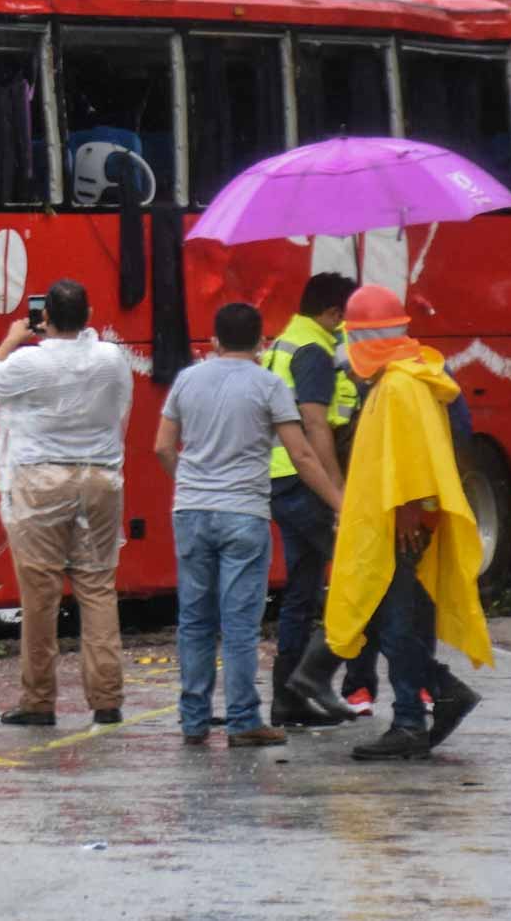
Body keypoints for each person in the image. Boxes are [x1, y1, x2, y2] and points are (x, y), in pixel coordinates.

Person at [290, 284, 494, 760]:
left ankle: (410, 721)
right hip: (394, 519)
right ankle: (440, 692)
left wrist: (409, 509)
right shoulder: (404, 377)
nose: (350, 348)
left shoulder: (402, 385)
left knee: (396, 620)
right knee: (385, 616)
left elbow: (415, 452)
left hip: (402, 522)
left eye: (354, 337)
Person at [154, 303, 343, 747]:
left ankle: (194, 721)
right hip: (244, 514)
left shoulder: (187, 379)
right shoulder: (270, 384)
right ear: (262, 342)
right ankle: (242, 721)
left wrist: (190, 484)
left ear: (214, 340)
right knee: (239, 624)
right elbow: (301, 455)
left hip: (191, 513)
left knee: (194, 621)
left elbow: (162, 446)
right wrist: (339, 502)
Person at [0, 278, 134, 727]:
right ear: (88, 316)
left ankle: (39, 700)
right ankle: (106, 699)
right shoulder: (111, 358)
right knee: (98, 588)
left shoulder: (27, 362)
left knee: (40, 596)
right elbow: (121, 404)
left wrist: (9, 341)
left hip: (39, 480)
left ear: (44, 318)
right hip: (100, 480)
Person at [261, 273, 360, 728]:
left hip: (280, 480)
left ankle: (288, 699)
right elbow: (316, 425)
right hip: (306, 482)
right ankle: (315, 677)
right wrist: (338, 493)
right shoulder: (314, 350)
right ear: (334, 313)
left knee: (301, 591)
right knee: (363, 578)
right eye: (349, 316)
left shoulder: (285, 340)